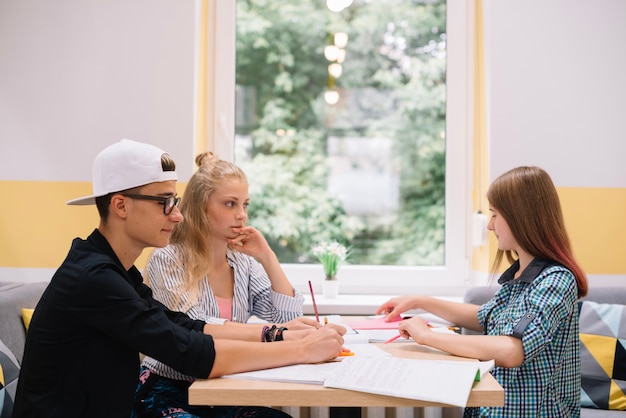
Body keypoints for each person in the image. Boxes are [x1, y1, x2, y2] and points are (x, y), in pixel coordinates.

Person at [12, 139, 345, 418]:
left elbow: (182, 325)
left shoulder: (114, 270)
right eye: (164, 202)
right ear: (121, 205)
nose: (177, 214)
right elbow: (189, 352)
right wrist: (301, 349)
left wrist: (275, 333)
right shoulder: (94, 278)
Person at [376, 166, 587, 417]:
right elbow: (485, 317)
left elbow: (512, 350)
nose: (489, 225)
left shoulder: (555, 281)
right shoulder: (519, 276)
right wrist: (419, 301)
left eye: (495, 215)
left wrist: (427, 337)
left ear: (521, 217)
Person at [135, 151, 321, 416]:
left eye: (245, 205)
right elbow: (195, 330)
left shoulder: (242, 263)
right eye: (230, 204)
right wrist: (280, 332)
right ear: (202, 208)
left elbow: (286, 319)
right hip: (169, 389)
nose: (242, 215)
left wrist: (268, 257)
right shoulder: (169, 259)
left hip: (222, 389)